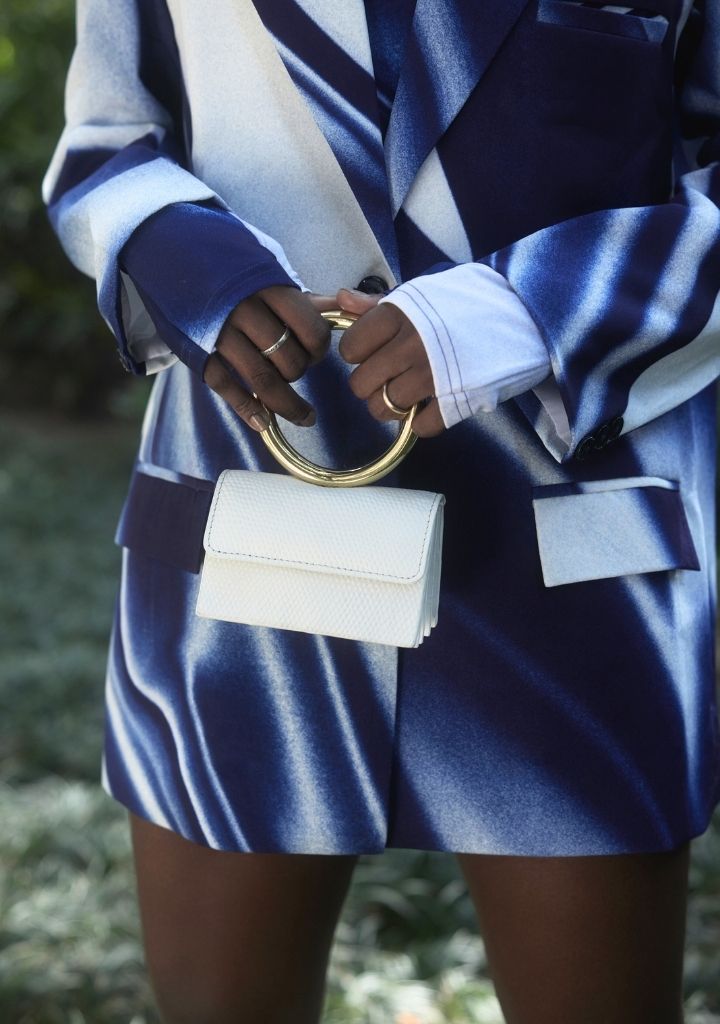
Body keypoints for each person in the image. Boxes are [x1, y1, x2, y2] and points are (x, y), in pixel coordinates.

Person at [43, 1, 720, 1021]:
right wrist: (185, 260)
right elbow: (105, 143)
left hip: (574, 553)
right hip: (250, 525)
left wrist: (536, 307)